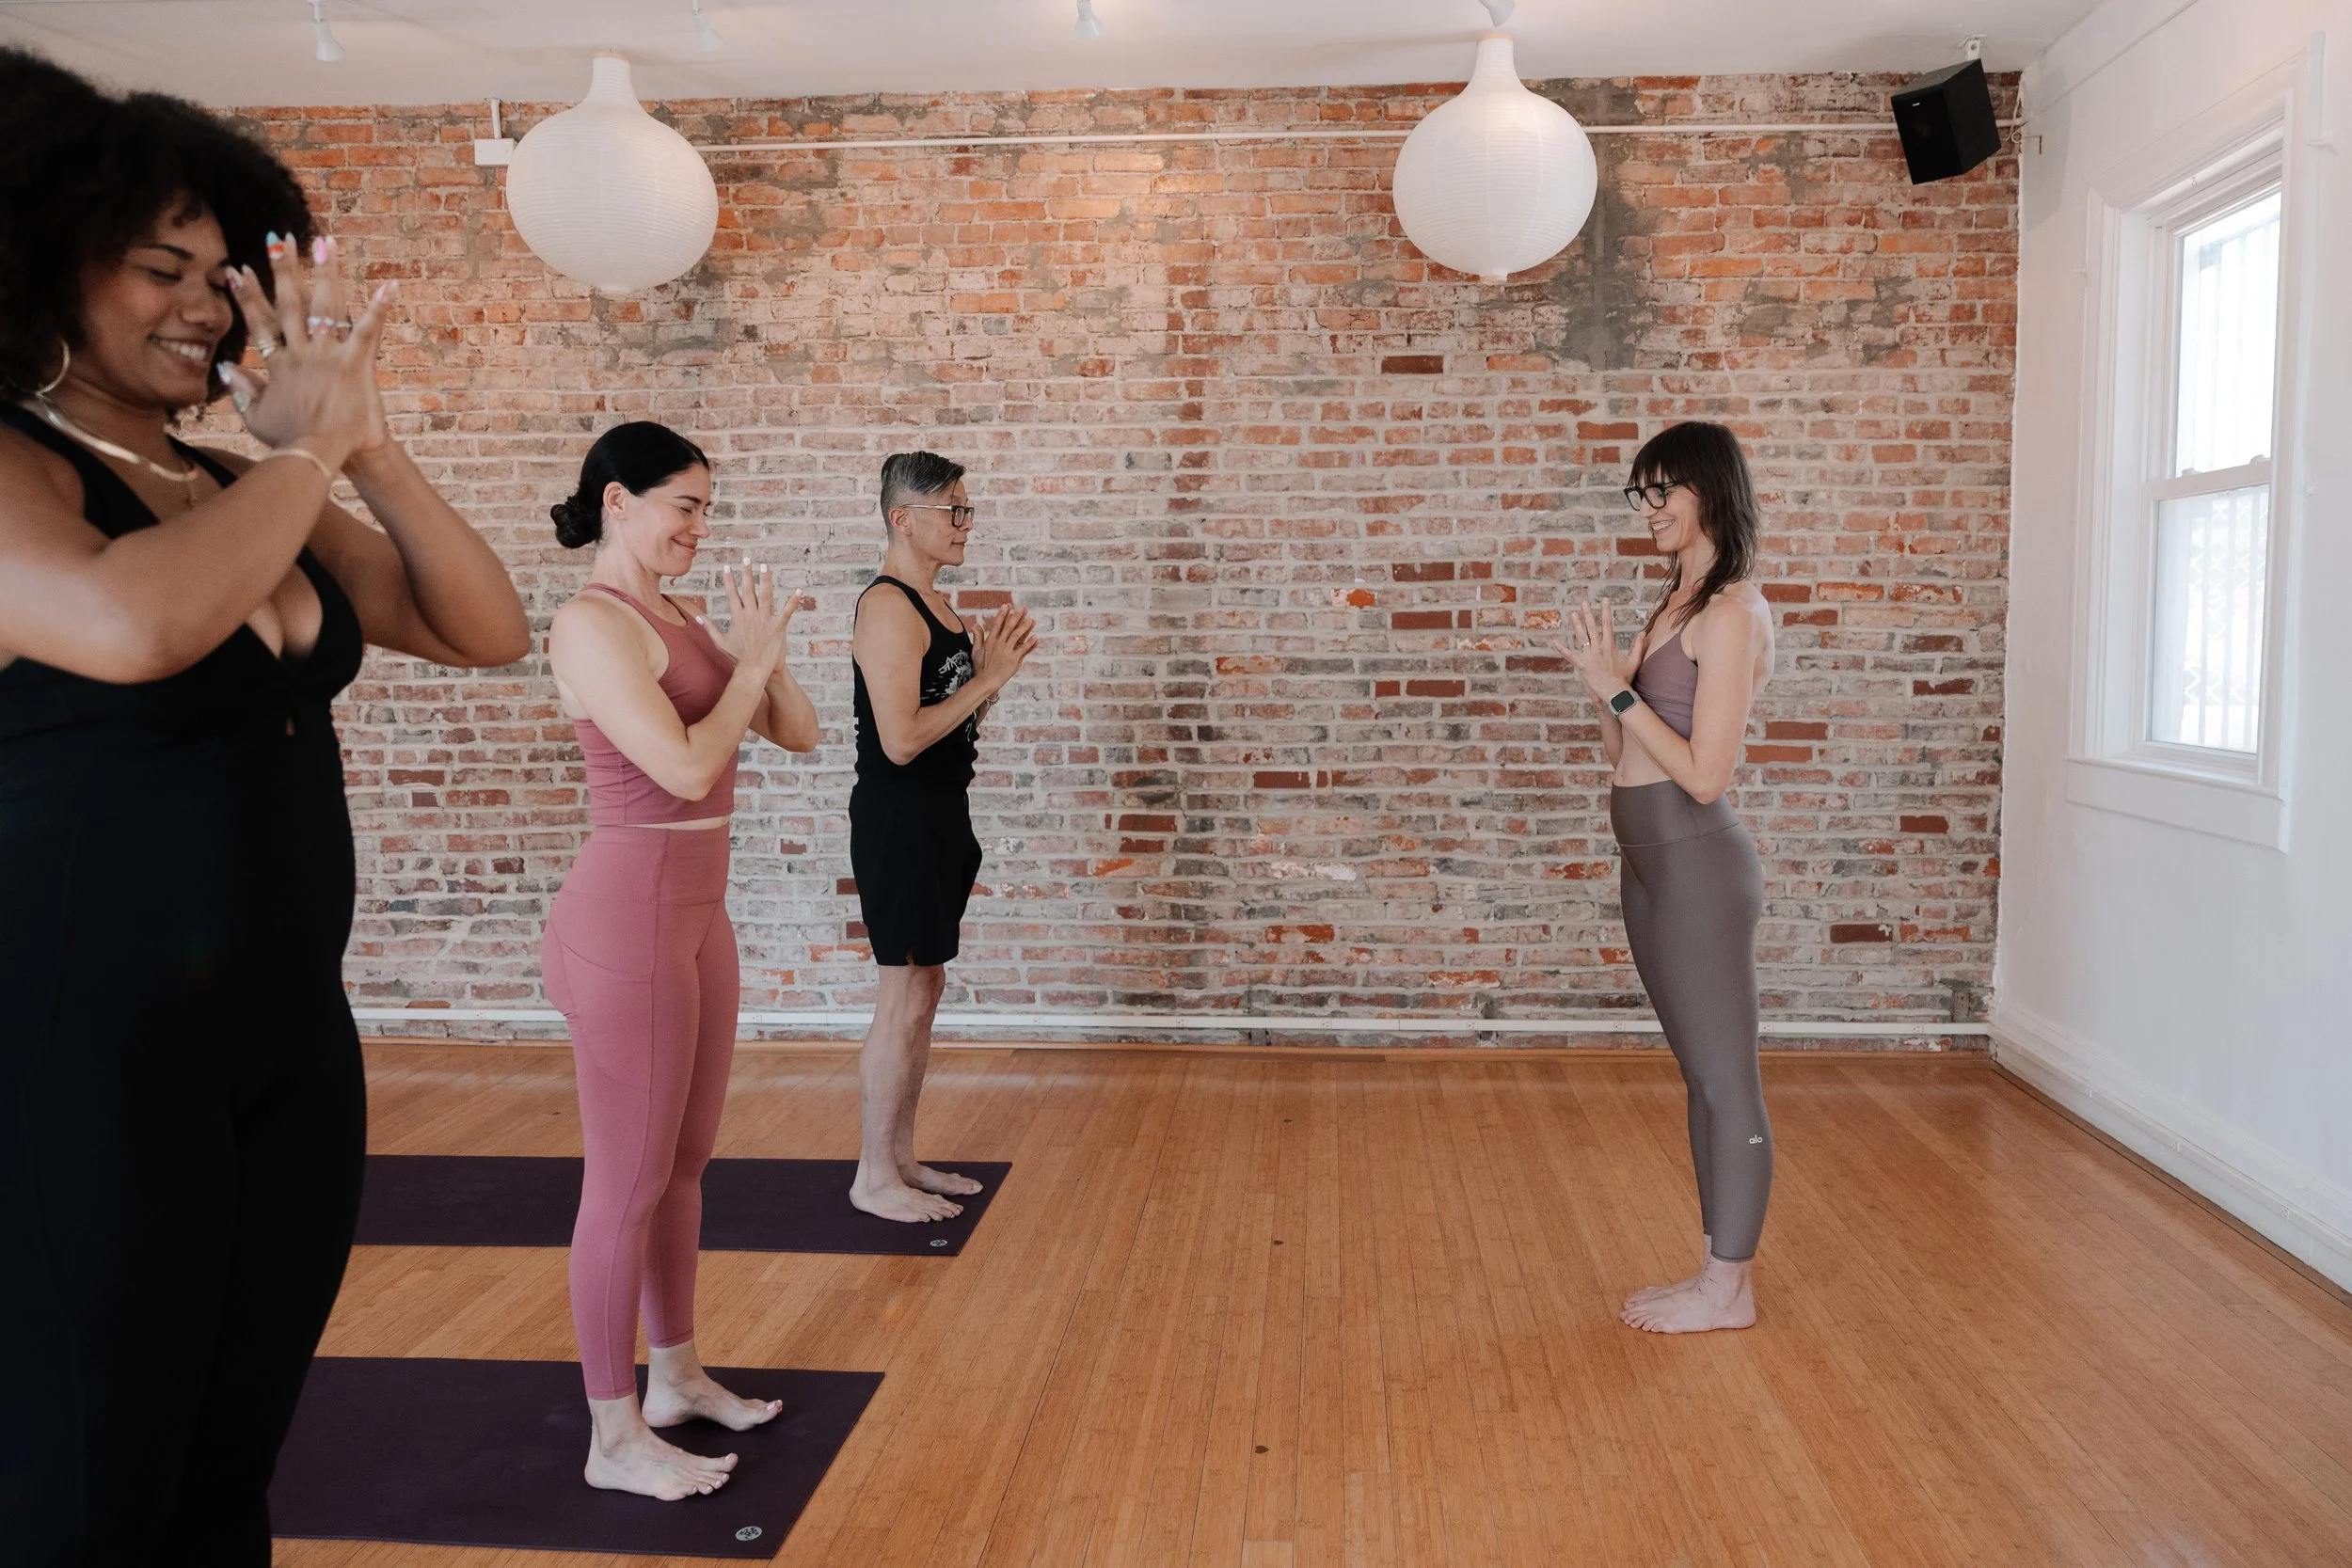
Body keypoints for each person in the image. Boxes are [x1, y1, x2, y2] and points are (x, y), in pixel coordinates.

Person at [0, 47, 530, 1563]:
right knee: (81, 1477)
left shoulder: (234, 476)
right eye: (161, 267)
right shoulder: (22, 464)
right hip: (72, 1060)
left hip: (285, 1048)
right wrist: (299, 453)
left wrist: (362, 440)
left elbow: (482, 627)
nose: (205, 305)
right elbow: (127, 627)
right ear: (47, 258)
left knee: (230, 1461)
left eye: (230, 275)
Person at [542, 421, 820, 1500]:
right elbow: (688, 761)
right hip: (627, 920)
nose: (700, 525)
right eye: (684, 504)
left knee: (687, 1166)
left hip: (699, 913)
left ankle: (675, 1376)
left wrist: (770, 653)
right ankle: (611, 1435)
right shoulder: (591, 625)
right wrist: (746, 666)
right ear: (618, 500)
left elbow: (792, 732)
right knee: (625, 1181)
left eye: (708, 506)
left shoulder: (684, 616)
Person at [1557, 420, 1777, 1335]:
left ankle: (1727, 1287)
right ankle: (1714, 1272)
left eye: (1661, 492)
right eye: (1639, 494)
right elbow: (1622, 748)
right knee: (1699, 1074)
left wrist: (1618, 691)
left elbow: (1702, 773)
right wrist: (1600, 684)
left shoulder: (1730, 612)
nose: (1647, 510)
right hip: (1647, 862)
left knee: (1726, 1076)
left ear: (1705, 489)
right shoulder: (1673, 604)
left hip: (1695, 864)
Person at [848, 451, 1036, 1223]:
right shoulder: (889, 606)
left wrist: (987, 680)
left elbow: (947, 727)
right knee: (902, 994)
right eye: (951, 510)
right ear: (905, 518)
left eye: (966, 510)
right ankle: (871, 1176)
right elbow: (898, 740)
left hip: (942, 815)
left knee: (927, 986)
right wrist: (988, 680)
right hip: (899, 821)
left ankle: (900, 1158)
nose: (965, 524)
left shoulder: (942, 608)